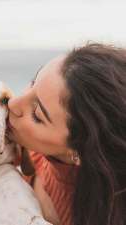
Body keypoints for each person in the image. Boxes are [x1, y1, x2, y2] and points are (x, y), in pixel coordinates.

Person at [7, 43, 126, 225]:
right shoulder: (17, 152)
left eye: (37, 115)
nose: (12, 103)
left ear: (79, 152)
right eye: (33, 83)